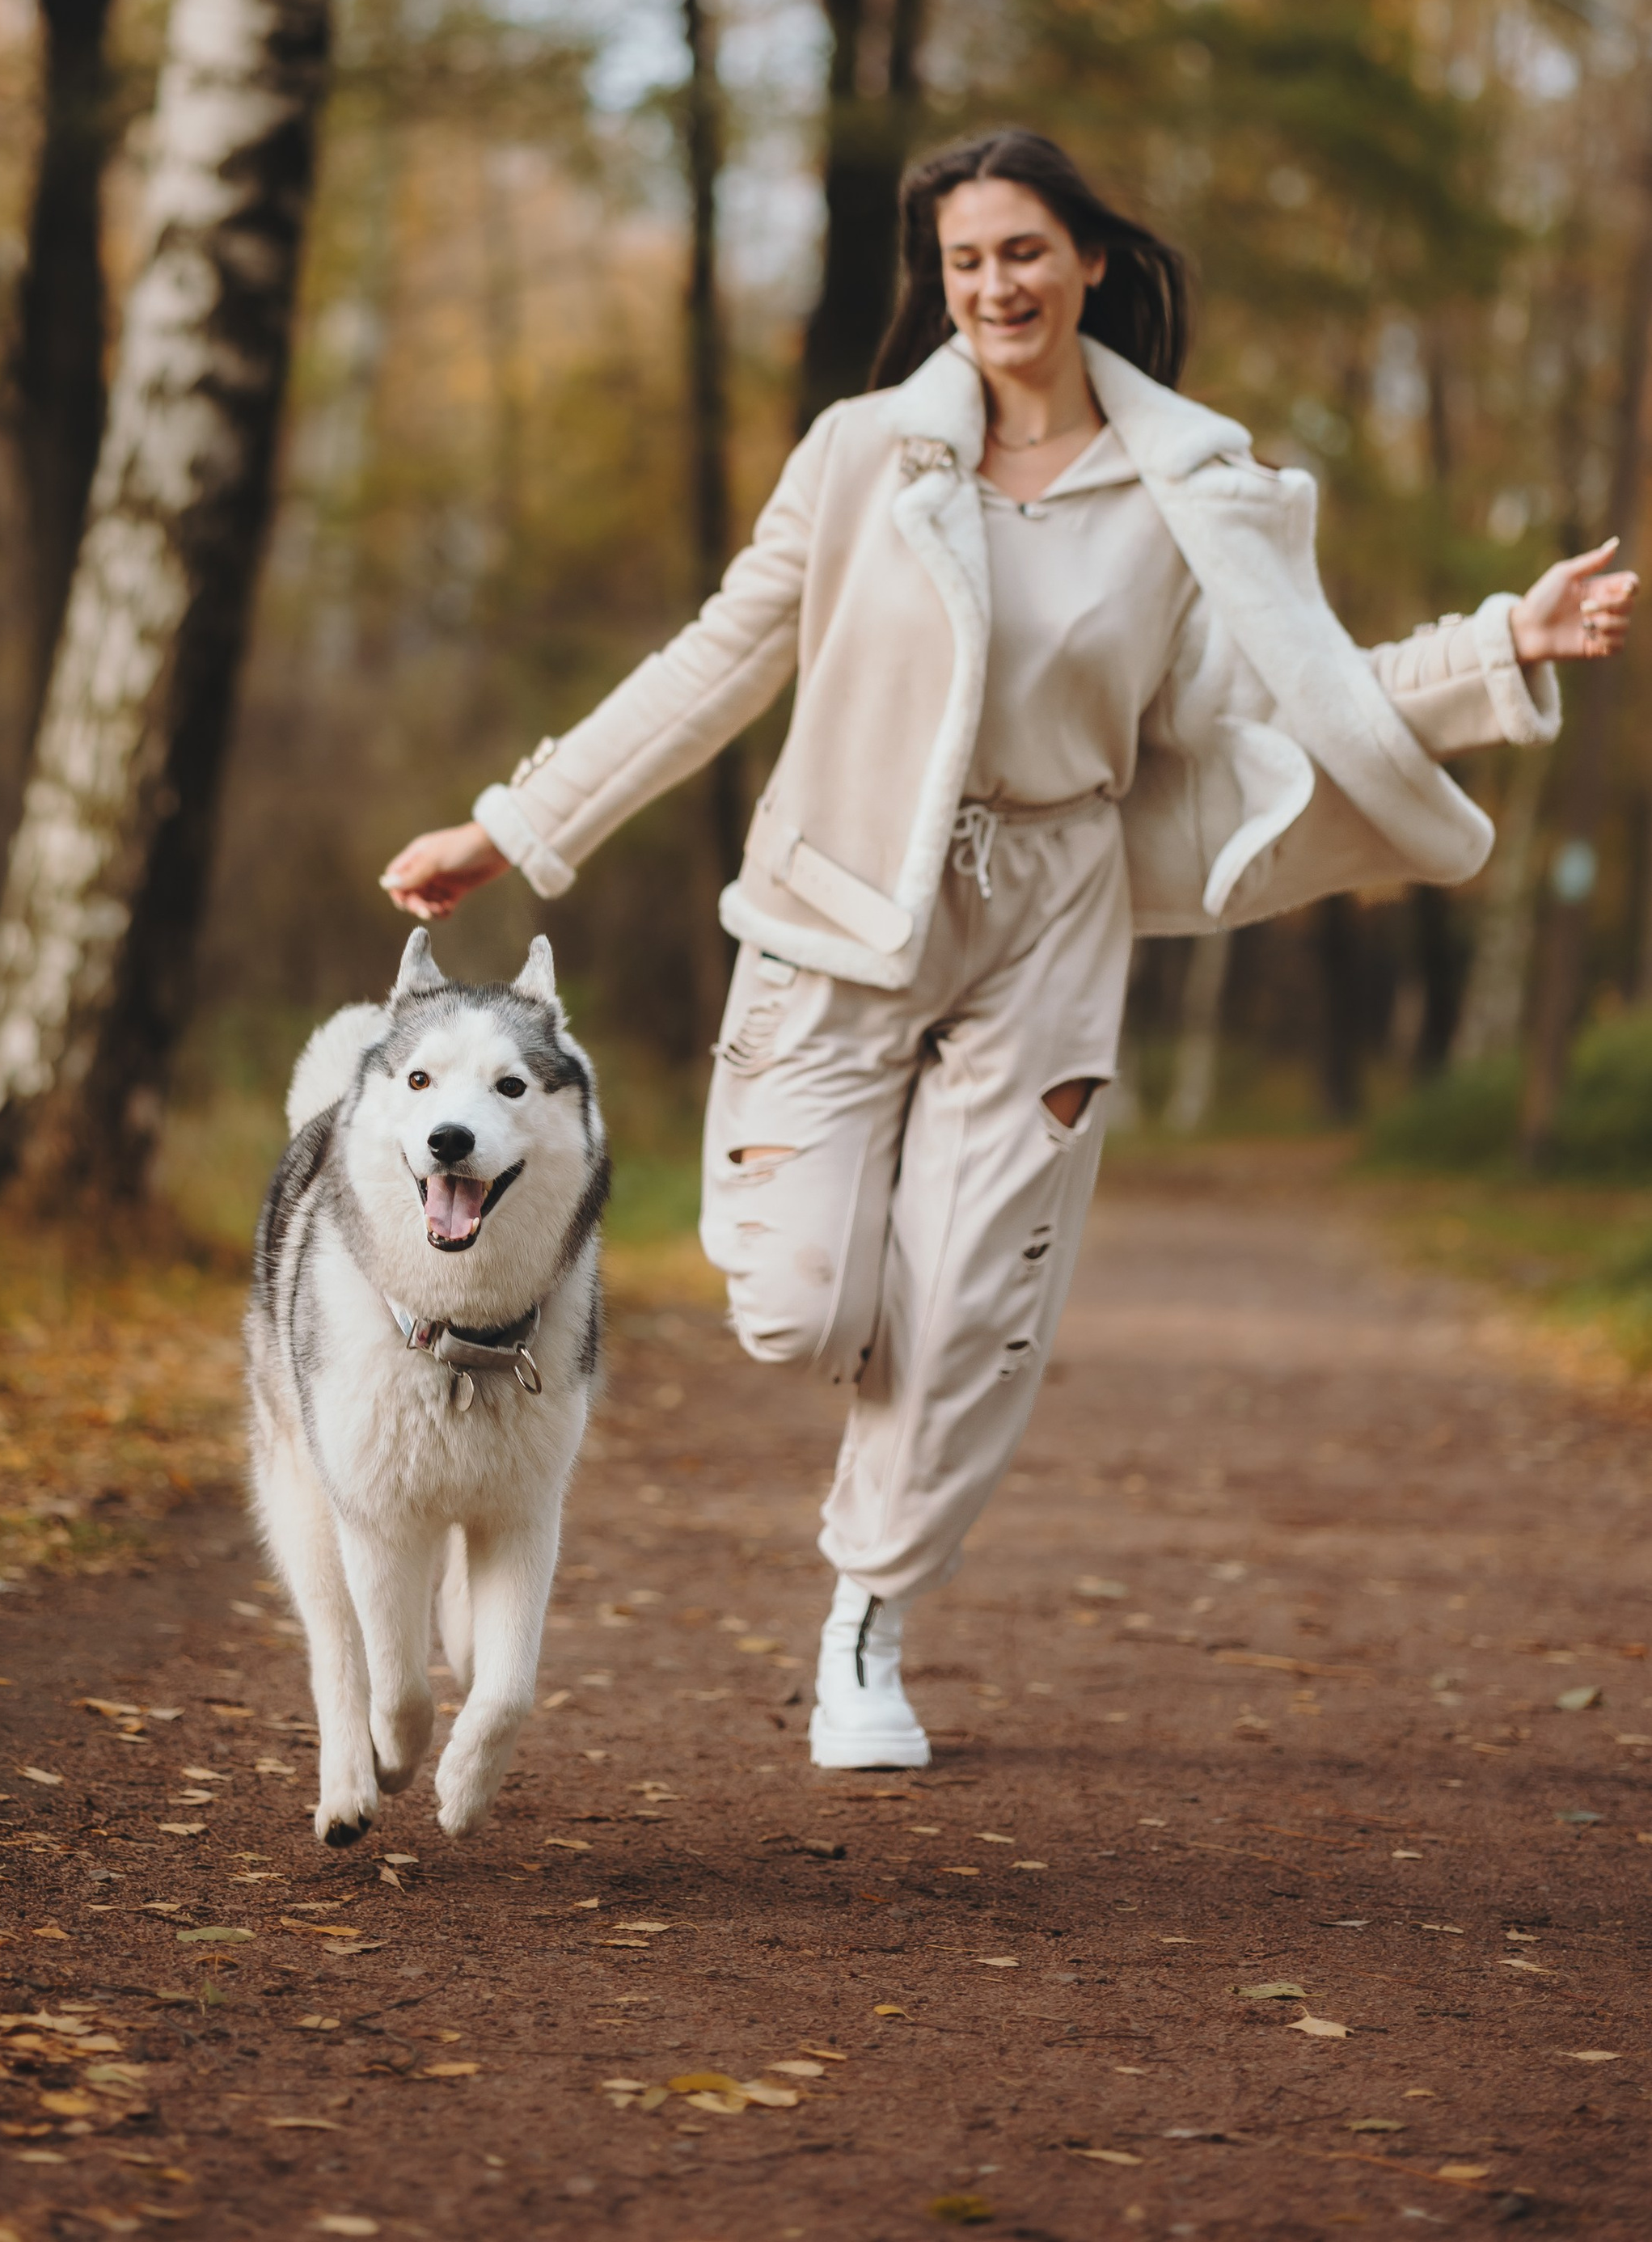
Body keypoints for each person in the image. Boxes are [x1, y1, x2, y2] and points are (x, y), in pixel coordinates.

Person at [380, 128, 1637, 1771]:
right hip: (841, 900)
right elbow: (714, 662)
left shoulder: (1183, 487)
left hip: (1049, 906)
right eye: (967, 262)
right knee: (794, 1303)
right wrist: (512, 825)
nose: (996, 287)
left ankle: (865, 1624)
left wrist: (1498, 644)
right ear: (941, 281)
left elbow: (1290, 696)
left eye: (1026, 253)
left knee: (972, 1301)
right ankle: (879, 1361)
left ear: (1090, 259)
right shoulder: (859, 457)